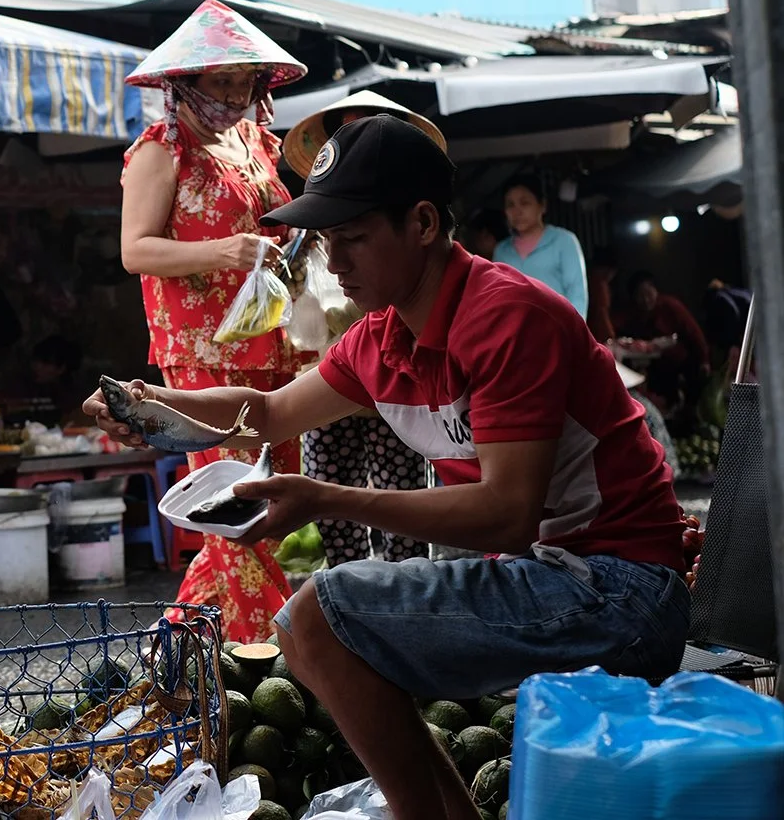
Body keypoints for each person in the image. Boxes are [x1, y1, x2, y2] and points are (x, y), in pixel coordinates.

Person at [86, 115, 688, 820]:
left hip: (620, 589)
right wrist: (148, 404)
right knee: (312, 626)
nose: (334, 262)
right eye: (327, 241)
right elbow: (268, 412)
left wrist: (324, 497)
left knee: (317, 616)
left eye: (353, 238)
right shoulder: (380, 337)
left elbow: (505, 514)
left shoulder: (506, 317)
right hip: (551, 578)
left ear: (423, 223)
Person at [119, 0, 308, 642]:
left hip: (277, 346)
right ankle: (278, 651)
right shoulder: (160, 150)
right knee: (242, 510)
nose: (232, 94)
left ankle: (177, 660)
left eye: (243, 81)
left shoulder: (257, 142)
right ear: (186, 82)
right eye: (220, 80)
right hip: (204, 354)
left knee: (270, 503)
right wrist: (224, 251)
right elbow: (135, 251)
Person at [285, 91, 439, 566]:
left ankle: (404, 592)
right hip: (329, 381)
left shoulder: (408, 238)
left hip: (392, 385)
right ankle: (351, 593)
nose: (337, 260)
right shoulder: (308, 232)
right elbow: (293, 304)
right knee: (332, 515)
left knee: (406, 512)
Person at [493, 174, 589, 317]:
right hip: (516, 329)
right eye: (510, 205)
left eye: (525, 203)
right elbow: (498, 297)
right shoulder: (501, 251)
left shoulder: (563, 241)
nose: (517, 211)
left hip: (557, 327)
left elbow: (577, 294)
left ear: (542, 206)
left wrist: (574, 329)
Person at [620, 271, 710, 419]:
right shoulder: (635, 315)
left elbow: (694, 332)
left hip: (683, 361)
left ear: (656, 291)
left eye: (648, 294)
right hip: (658, 366)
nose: (646, 300)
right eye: (640, 296)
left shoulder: (670, 306)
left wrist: (704, 359)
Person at [587, 248, 618, 344]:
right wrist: (610, 338)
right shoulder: (599, 285)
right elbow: (602, 315)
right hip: (596, 339)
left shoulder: (588, 281)